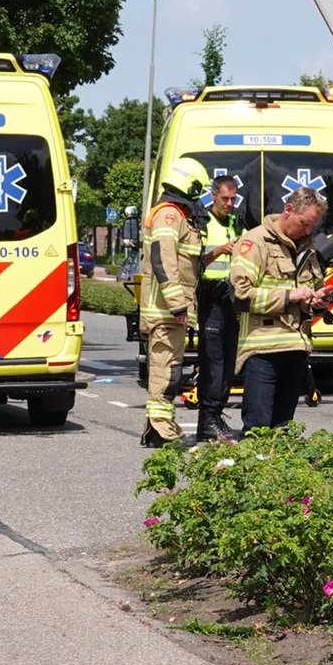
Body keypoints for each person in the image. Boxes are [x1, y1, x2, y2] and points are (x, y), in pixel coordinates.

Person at [228, 186, 333, 435]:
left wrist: (315, 301)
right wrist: (289, 296)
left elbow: (307, 293)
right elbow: (241, 296)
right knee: (258, 429)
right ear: (288, 210)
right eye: (304, 224)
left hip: (296, 348)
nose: (308, 231)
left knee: (282, 430)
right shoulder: (255, 242)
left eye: (313, 227)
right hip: (263, 348)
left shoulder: (306, 247)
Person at [138, 157, 210, 448]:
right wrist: (178, 304)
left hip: (170, 310)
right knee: (166, 371)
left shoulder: (177, 214)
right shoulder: (168, 215)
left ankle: (158, 428)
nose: (199, 195)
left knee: (168, 369)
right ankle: (162, 431)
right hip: (166, 310)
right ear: (188, 183)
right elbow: (163, 260)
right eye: (197, 189)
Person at [192, 172, 248, 442]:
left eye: (233, 199)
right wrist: (219, 251)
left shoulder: (238, 223)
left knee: (228, 362)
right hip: (210, 297)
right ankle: (207, 418)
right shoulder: (202, 222)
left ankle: (217, 415)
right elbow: (192, 262)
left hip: (232, 298)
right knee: (212, 361)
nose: (229, 203)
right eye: (225, 198)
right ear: (213, 195)